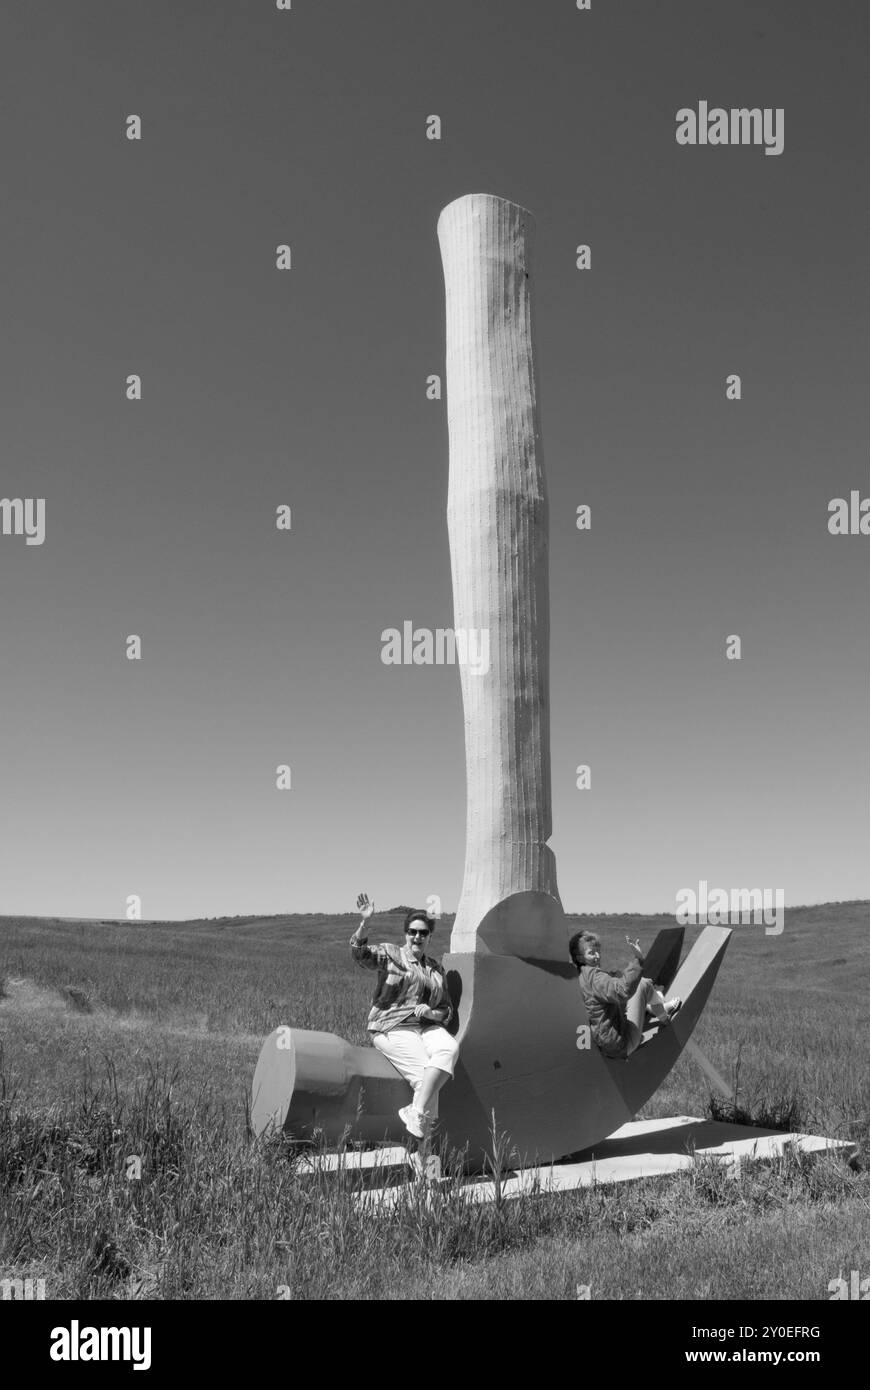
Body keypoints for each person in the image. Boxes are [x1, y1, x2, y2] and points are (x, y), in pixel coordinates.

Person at [349, 894, 458, 1140]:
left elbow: (447, 1009)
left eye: (422, 932)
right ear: (405, 934)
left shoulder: (436, 968)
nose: (417, 937)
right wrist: (365, 923)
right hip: (392, 1026)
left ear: (429, 936)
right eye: (412, 932)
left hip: (427, 1027)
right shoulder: (391, 954)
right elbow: (359, 954)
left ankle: (414, 1112)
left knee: (449, 1050)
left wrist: (432, 1012)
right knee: (425, 1079)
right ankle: (421, 1152)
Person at [569, 929, 682, 1060]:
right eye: (591, 953)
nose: (597, 956)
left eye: (598, 951)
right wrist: (638, 959)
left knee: (630, 985)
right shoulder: (595, 978)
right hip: (621, 1044)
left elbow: (601, 988)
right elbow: (623, 991)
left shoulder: (578, 975)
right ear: (580, 957)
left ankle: (652, 1005)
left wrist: (613, 975)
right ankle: (663, 1016)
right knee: (643, 984)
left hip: (606, 1044)